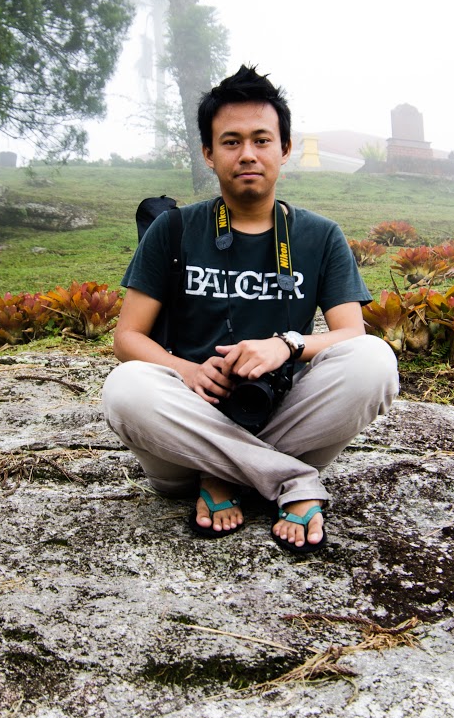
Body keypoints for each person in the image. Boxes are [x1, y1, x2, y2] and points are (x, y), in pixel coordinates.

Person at [102, 65, 399, 551]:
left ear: (284, 149)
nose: (247, 154)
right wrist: (187, 372)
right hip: (188, 430)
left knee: (375, 360)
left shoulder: (319, 235)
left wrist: (286, 345)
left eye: (262, 140)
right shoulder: (173, 229)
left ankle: (224, 475)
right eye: (231, 141)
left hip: (285, 418)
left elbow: (352, 334)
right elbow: (127, 337)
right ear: (208, 153)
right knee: (126, 388)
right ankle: (291, 479)